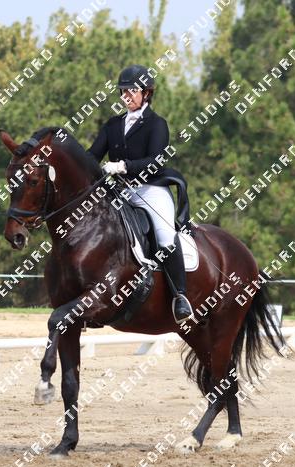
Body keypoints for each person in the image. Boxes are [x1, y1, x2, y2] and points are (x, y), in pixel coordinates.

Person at [87, 64, 193, 325]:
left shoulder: (157, 124)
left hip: (151, 189)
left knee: (166, 236)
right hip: (119, 191)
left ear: (146, 93)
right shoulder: (113, 125)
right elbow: (92, 156)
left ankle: (180, 296)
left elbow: (156, 161)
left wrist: (123, 166)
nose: (127, 96)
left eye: (132, 91)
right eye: (123, 91)